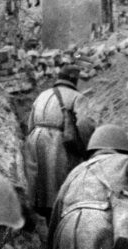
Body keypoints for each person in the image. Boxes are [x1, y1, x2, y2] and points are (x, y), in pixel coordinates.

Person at [25, 64, 95, 224]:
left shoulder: (42, 95)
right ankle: (56, 224)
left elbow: (30, 123)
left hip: (34, 138)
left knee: (37, 184)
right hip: (55, 141)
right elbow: (85, 123)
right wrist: (87, 147)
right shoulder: (77, 97)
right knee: (56, 187)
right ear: (74, 80)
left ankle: (34, 218)